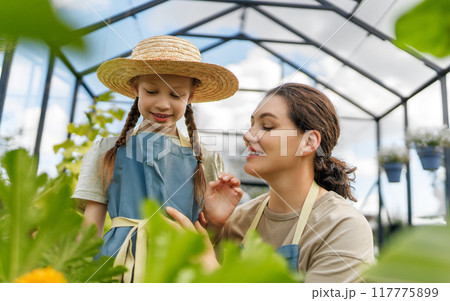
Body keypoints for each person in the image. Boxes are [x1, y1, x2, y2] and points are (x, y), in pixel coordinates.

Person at [72, 35, 243, 282]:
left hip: (181, 269)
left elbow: (208, 236)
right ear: (135, 89)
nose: (163, 104)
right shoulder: (106, 150)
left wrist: (216, 223)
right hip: (116, 269)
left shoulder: (205, 158)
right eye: (152, 91)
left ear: (191, 96)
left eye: (176, 95)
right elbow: (90, 232)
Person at [167, 83, 375, 283]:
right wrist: (212, 230)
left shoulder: (342, 226)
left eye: (267, 126)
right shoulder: (238, 220)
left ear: (309, 142)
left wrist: (210, 272)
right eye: (251, 125)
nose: (248, 136)